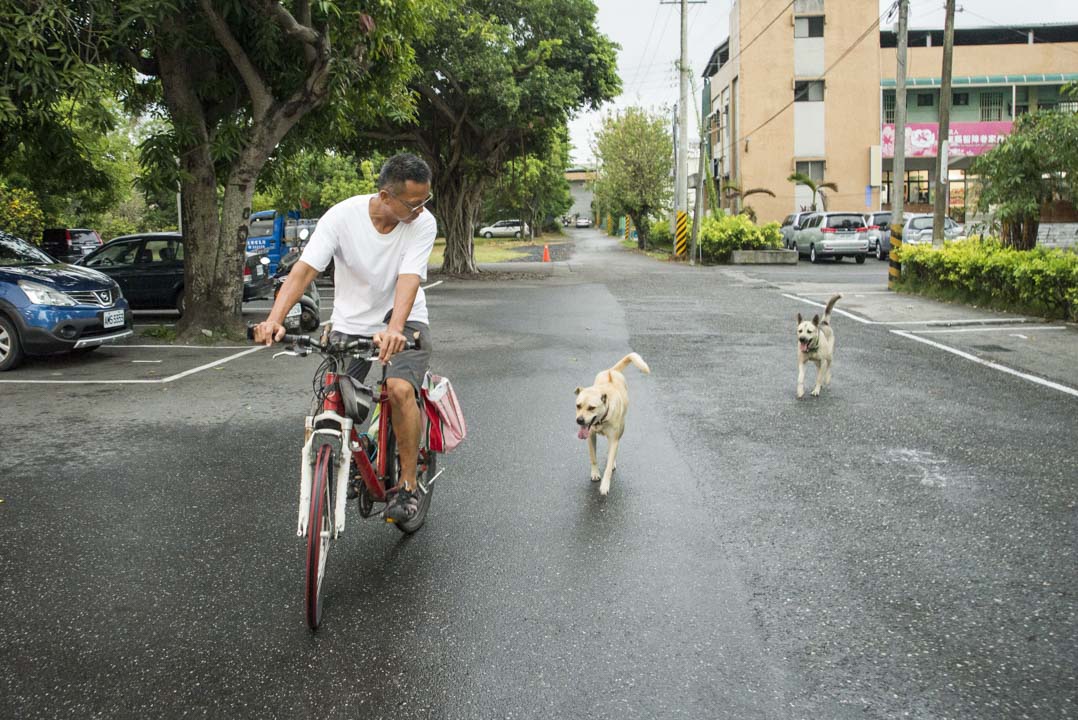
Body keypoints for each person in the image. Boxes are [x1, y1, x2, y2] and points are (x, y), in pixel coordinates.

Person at [252, 153, 437, 522]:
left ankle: (408, 483)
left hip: (404, 320)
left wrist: (396, 328)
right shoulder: (341, 217)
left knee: (399, 389)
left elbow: (409, 278)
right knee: (336, 399)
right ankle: (355, 449)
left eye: (425, 201)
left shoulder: (422, 224)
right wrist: (274, 319)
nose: (421, 209)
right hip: (350, 324)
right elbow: (304, 270)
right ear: (385, 196)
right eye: (413, 203)